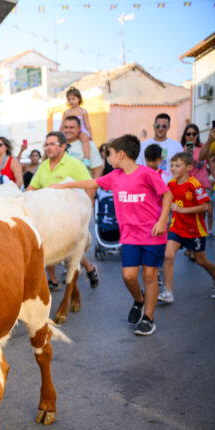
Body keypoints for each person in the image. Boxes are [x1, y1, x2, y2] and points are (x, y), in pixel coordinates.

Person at [53, 134, 172, 336]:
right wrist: (63, 186)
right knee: (128, 276)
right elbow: (92, 183)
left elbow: (167, 194)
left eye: (110, 154)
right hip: (130, 236)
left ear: (121, 154)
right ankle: (139, 300)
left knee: (150, 276)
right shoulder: (115, 176)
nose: (108, 158)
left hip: (152, 233)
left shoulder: (147, 174)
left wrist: (162, 221)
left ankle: (148, 319)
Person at [27, 131, 100, 289]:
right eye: (46, 144)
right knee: (45, 246)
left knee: (73, 249)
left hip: (69, 215)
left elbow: (89, 185)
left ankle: (90, 268)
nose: (48, 147)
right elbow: (31, 188)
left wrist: (86, 208)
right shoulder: (43, 166)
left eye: (52, 144)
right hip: (47, 214)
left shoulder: (74, 164)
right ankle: (53, 281)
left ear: (63, 147)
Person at [158, 152, 215, 303]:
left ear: (188, 167)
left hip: (194, 230)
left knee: (201, 261)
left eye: (178, 165)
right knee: (168, 255)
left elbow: (205, 207)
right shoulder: (170, 184)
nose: (173, 168)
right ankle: (168, 292)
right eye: (172, 165)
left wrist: (182, 210)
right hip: (176, 227)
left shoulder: (194, 184)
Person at [181, 123, 213, 235]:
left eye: (194, 134)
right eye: (188, 134)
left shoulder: (204, 147)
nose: (191, 136)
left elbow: (212, 166)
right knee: (190, 213)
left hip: (203, 185)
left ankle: (197, 238)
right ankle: (192, 242)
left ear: (197, 135)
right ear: (184, 136)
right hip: (188, 186)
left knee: (202, 212)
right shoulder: (181, 150)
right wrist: (185, 154)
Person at [59, 87, 93, 164]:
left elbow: (87, 124)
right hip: (69, 131)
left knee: (84, 138)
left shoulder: (83, 111)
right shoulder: (66, 112)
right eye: (69, 99)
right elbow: (62, 124)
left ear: (79, 99)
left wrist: (90, 134)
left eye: (73, 99)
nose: (71, 101)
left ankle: (86, 158)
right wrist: (59, 133)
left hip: (81, 130)